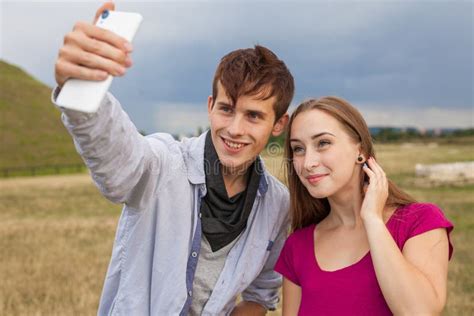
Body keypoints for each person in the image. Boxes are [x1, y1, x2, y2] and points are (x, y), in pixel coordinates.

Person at [53, 2, 294, 315]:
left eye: (253, 116)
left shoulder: (277, 204)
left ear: (278, 124)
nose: (235, 129)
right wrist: (80, 89)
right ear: (210, 106)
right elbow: (119, 157)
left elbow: (261, 293)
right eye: (226, 109)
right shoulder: (164, 164)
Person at [275, 97, 454, 315]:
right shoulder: (297, 246)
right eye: (298, 149)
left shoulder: (419, 222)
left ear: (359, 149)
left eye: (323, 143)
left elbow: (418, 312)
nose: (308, 162)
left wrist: (373, 220)